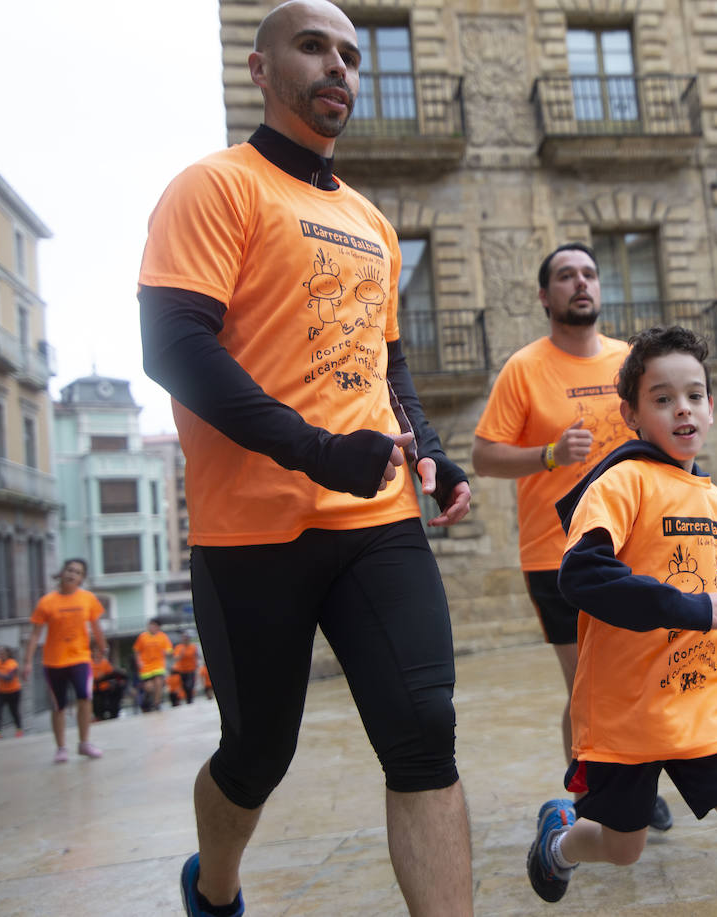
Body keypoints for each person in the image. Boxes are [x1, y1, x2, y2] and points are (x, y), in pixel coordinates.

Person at [137, 2, 474, 913]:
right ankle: (214, 884)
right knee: (257, 755)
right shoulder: (214, 187)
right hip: (250, 531)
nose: (340, 66)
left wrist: (432, 450)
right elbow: (173, 345)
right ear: (258, 67)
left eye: (352, 54)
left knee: (424, 735)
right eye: (314, 46)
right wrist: (318, 450)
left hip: (376, 521)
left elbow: (385, 360)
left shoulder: (371, 221)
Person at [528, 326, 717, 915]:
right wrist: (687, 607)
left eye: (695, 395)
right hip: (627, 715)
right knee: (623, 848)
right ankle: (560, 843)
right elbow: (582, 576)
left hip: (705, 707)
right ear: (632, 414)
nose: (683, 409)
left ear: (712, 407)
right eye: (663, 398)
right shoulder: (620, 482)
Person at [472, 244, 676, 830]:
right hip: (559, 556)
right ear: (545, 296)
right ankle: (592, 799)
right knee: (589, 683)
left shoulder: (631, 363)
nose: (580, 283)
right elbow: (485, 456)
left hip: (641, 546)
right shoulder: (524, 369)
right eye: (566, 276)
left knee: (644, 674)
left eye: (589, 273)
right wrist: (549, 455)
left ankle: (632, 784)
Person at [24, 559, 108, 764]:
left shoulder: (88, 599)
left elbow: (96, 627)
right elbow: (35, 635)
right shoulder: (46, 602)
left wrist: (102, 648)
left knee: (84, 697)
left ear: (82, 578)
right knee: (58, 705)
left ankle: (84, 743)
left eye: (78, 572)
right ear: (62, 573)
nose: (72, 574)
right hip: (54, 661)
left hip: (80, 657)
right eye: (69, 570)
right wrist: (27, 661)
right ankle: (61, 748)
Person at [133, 619, 173, 713]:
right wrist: (138, 661)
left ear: (158, 627)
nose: (151, 627)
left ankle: (157, 703)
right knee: (149, 687)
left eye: (153, 625)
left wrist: (167, 652)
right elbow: (136, 650)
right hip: (146, 666)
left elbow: (169, 649)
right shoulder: (143, 637)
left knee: (158, 682)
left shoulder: (163, 637)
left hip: (158, 665)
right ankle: (147, 700)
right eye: (150, 625)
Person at [0, 646, 24, 740]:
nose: (0, 655)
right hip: (0, 691)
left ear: (7, 654)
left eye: (2, 653)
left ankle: (19, 730)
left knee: (14, 711)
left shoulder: (12, 664)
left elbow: (9, 678)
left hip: (14, 691)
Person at [92, 647, 128, 721]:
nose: (98, 654)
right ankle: (98, 714)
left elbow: (112, 673)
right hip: (96, 689)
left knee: (116, 690)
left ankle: (114, 711)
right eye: (96, 652)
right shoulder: (90, 664)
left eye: (99, 652)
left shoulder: (105, 663)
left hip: (106, 687)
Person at [173, 631, 200, 703]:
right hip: (182, 670)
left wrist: (197, 665)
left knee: (190, 685)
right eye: (184, 638)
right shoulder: (179, 647)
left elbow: (196, 656)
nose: (185, 640)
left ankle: (190, 698)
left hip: (191, 669)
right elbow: (176, 658)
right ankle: (188, 699)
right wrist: (181, 654)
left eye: (187, 638)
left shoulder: (193, 647)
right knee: (184, 686)